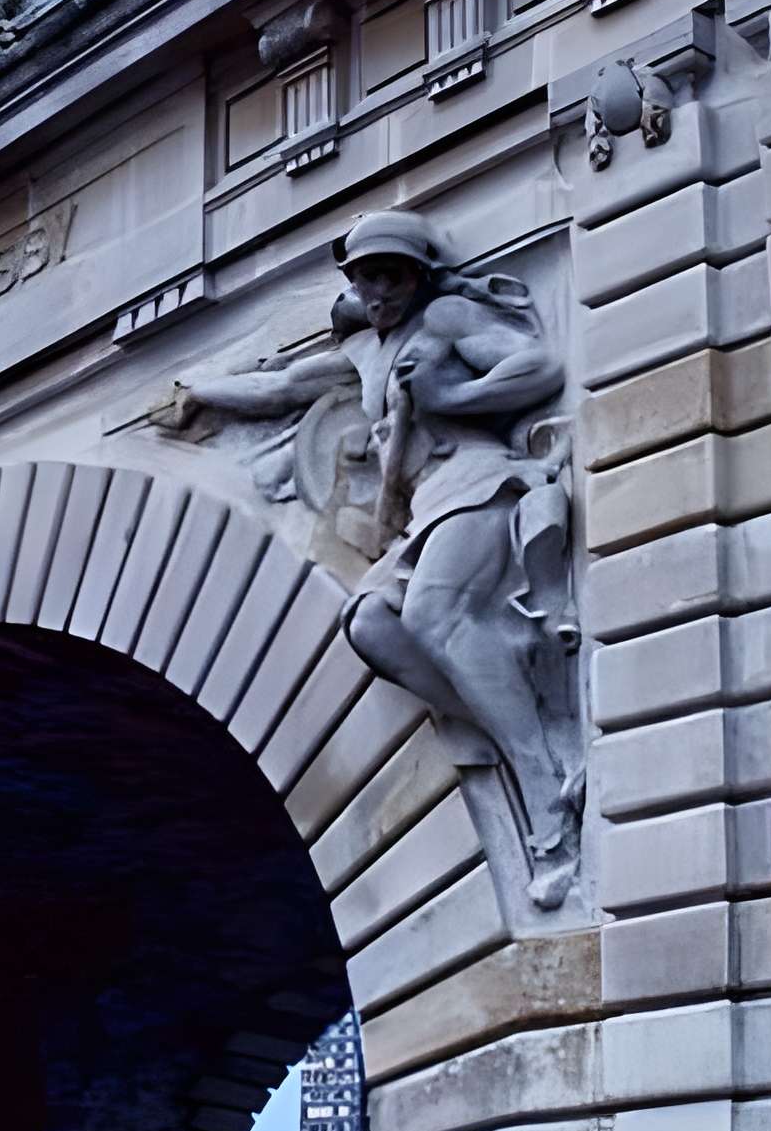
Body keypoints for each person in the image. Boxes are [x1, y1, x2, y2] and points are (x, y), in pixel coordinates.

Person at [157, 210, 582, 904]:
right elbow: (281, 389)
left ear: (414, 277)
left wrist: (454, 396)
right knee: (371, 625)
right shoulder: (362, 354)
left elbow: (538, 365)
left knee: (432, 612)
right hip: (424, 512)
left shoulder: (442, 320)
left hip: (477, 486)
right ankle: (527, 732)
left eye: (390, 276)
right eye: (366, 278)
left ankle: (544, 792)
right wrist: (197, 391)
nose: (379, 291)